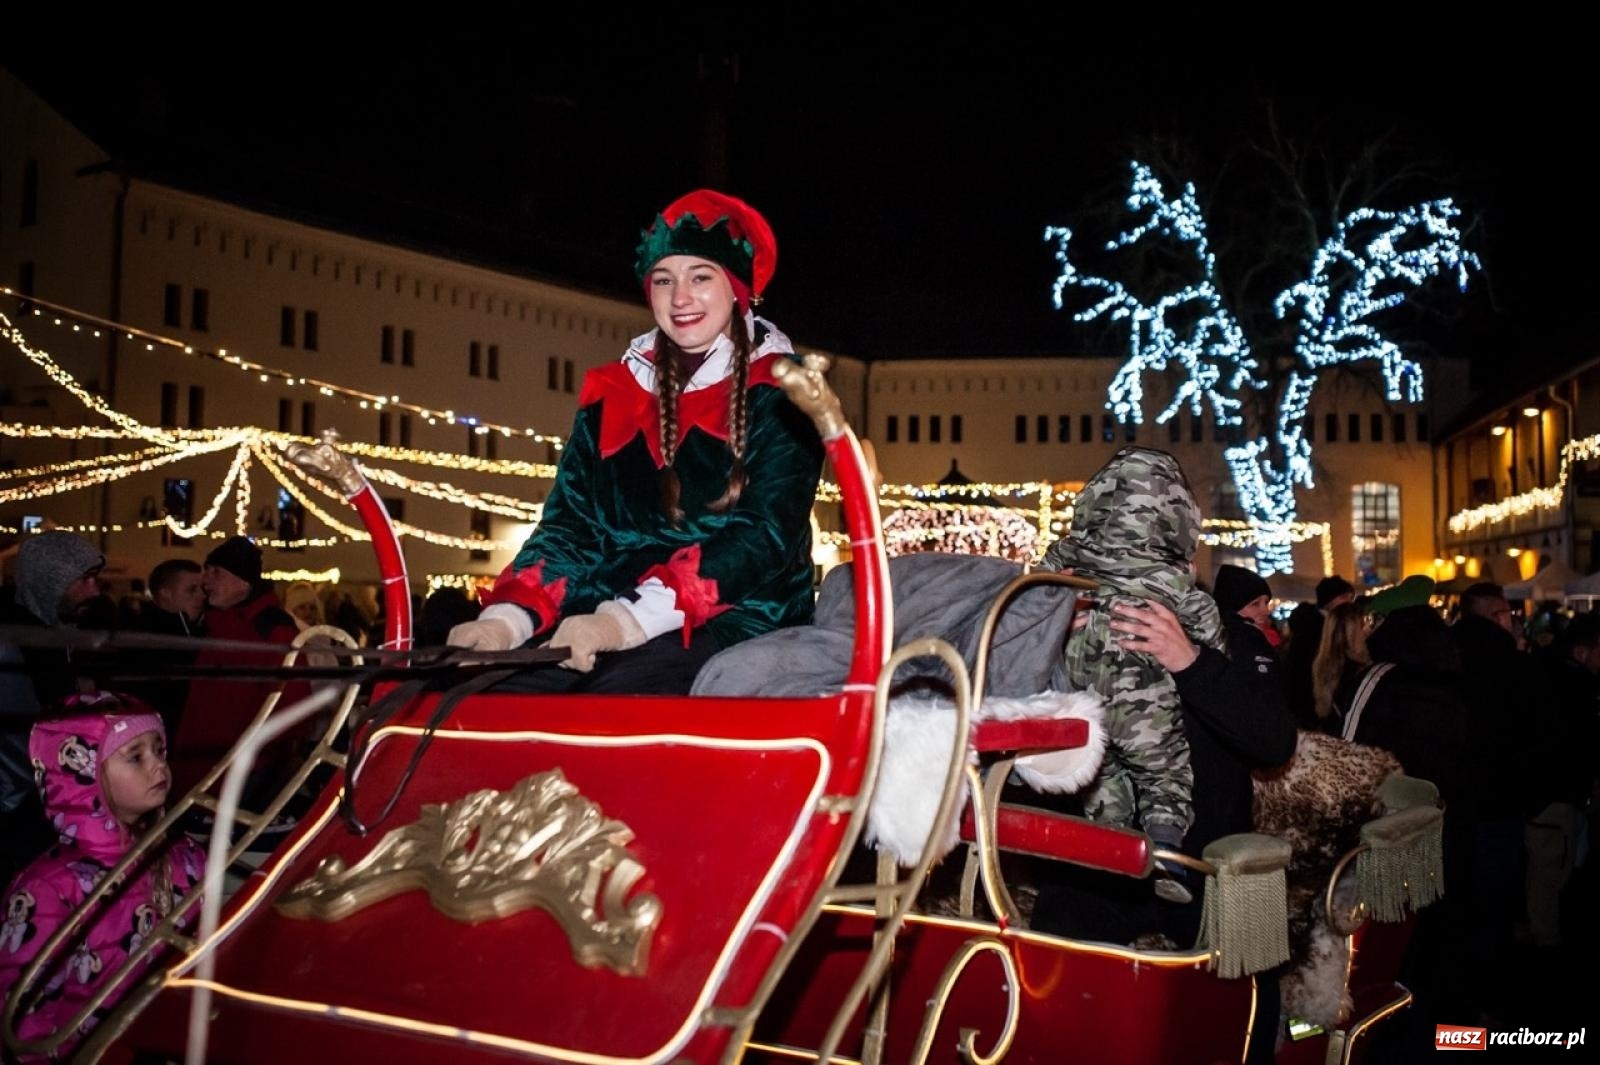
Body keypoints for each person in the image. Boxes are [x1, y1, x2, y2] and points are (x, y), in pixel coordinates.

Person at [446, 190, 824, 694]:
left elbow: (764, 538)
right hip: (607, 610)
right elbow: (570, 529)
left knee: (617, 696)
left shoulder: (784, 390)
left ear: (738, 289)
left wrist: (624, 622)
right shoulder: (613, 393)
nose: (680, 297)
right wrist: (506, 621)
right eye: (664, 280)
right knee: (483, 691)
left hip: (738, 618)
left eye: (701, 277)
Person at [1029, 446, 1219, 939]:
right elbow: (1203, 618)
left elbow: (1037, 582)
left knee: (1103, 774)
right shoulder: (1169, 578)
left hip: (1081, 689)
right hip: (1143, 699)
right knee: (1164, 772)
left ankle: (1111, 849)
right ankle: (1164, 852)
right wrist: (1214, 642)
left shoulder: (1075, 556)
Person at [0, 693, 204, 1062]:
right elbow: (22, 1019)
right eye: (136, 756)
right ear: (85, 776)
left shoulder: (183, 853)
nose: (159, 766)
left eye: (159, 750)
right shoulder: (47, 889)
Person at [1, 532, 106, 883]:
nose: (95, 591)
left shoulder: (59, 634)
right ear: (50, 579)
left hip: (47, 807)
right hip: (17, 813)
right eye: (84, 580)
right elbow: (16, 740)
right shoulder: (10, 641)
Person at [169, 536, 307, 800]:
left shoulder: (272, 628)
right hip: (202, 762)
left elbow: (292, 703)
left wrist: (257, 764)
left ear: (243, 582)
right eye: (206, 571)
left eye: (216, 572)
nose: (205, 581)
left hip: (239, 772)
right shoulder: (215, 622)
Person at [126, 558, 206, 736]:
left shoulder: (196, 630)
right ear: (165, 594)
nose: (201, 595)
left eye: (202, 589)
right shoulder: (145, 638)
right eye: (192, 590)